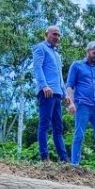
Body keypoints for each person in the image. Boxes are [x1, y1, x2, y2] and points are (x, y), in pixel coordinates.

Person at [65, 41, 95, 173]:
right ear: (87, 51)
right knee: (79, 135)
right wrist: (70, 102)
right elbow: (69, 85)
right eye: (94, 53)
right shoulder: (77, 65)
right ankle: (74, 165)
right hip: (82, 105)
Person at [31, 25, 69, 162]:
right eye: (54, 34)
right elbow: (37, 68)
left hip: (58, 94)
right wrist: (44, 85)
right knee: (44, 125)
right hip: (46, 93)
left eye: (59, 35)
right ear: (46, 34)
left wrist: (66, 95)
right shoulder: (40, 48)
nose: (57, 37)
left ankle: (64, 159)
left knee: (58, 128)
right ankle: (44, 158)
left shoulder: (57, 54)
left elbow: (59, 76)